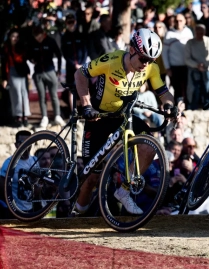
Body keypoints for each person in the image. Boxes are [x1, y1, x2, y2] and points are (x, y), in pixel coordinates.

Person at [74, 28, 177, 215]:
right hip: (99, 117)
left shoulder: (150, 70)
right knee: (91, 179)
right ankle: (76, 214)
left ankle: (124, 190)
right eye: (143, 59)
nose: (146, 64)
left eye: (151, 60)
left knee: (149, 146)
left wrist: (170, 106)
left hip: (123, 116)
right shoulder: (111, 61)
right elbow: (80, 74)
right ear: (131, 50)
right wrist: (86, 105)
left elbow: (163, 93)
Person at [28, 25, 65, 128]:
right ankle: (44, 117)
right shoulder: (32, 43)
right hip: (38, 73)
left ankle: (57, 115)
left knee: (53, 95)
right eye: (36, 37)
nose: (38, 39)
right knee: (41, 96)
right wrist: (31, 60)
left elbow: (58, 54)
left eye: (39, 36)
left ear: (43, 33)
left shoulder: (50, 41)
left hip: (50, 71)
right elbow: (29, 55)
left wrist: (58, 70)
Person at [1, 28, 31, 127]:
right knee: (16, 94)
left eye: (17, 37)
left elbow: (25, 61)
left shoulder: (21, 47)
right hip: (12, 71)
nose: (15, 39)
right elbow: (5, 63)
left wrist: (28, 73)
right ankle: (18, 116)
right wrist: (5, 78)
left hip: (22, 72)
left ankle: (25, 116)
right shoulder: (6, 48)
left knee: (24, 94)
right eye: (13, 36)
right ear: (9, 37)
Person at [0, 130, 36, 212]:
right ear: (16, 145)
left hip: (31, 209)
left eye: (28, 142)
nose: (25, 145)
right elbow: (2, 187)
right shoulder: (9, 163)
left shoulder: (35, 160)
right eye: (21, 142)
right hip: (14, 210)